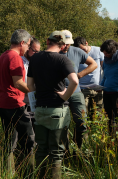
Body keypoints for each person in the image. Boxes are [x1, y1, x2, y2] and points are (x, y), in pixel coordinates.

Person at [27, 31, 78, 179]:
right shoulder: (63, 60)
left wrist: (42, 90)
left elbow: (30, 85)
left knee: (41, 149)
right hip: (58, 110)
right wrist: (65, 96)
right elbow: (75, 81)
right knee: (56, 152)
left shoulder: (35, 58)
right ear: (63, 46)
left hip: (40, 109)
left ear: (47, 41)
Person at [0, 29, 35, 175]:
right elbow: (18, 83)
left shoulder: (4, 55)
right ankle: (27, 173)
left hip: (2, 103)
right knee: (29, 139)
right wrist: (35, 91)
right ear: (22, 42)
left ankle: (8, 171)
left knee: (10, 138)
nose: (28, 48)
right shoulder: (15, 57)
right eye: (28, 45)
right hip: (13, 104)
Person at [60, 30, 97, 150]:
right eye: (64, 43)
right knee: (61, 125)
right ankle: (65, 153)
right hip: (59, 94)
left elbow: (93, 64)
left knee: (82, 122)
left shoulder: (76, 51)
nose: (66, 46)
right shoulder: (53, 53)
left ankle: (79, 151)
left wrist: (79, 75)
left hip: (76, 93)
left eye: (68, 43)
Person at [74, 37, 104, 114]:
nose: (82, 52)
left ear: (86, 43)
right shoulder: (75, 54)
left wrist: (103, 84)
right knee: (84, 114)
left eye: (83, 49)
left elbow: (104, 68)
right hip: (83, 89)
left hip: (98, 88)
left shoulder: (98, 51)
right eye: (80, 51)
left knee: (98, 114)